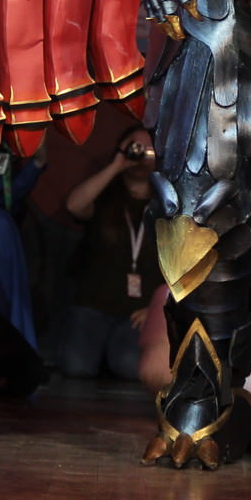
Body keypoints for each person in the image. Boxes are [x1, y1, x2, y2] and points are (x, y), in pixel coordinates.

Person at [58, 126, 165, 380]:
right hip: (93, 306)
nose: (142, 154)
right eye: (135, 147)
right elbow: (74, 206)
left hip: (139, 312)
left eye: (149, 149)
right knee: (75, 366)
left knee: (130, 366)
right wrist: (117, 165)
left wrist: (155, 309)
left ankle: (110, 355)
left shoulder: (166, 205)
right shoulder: (105, 194)